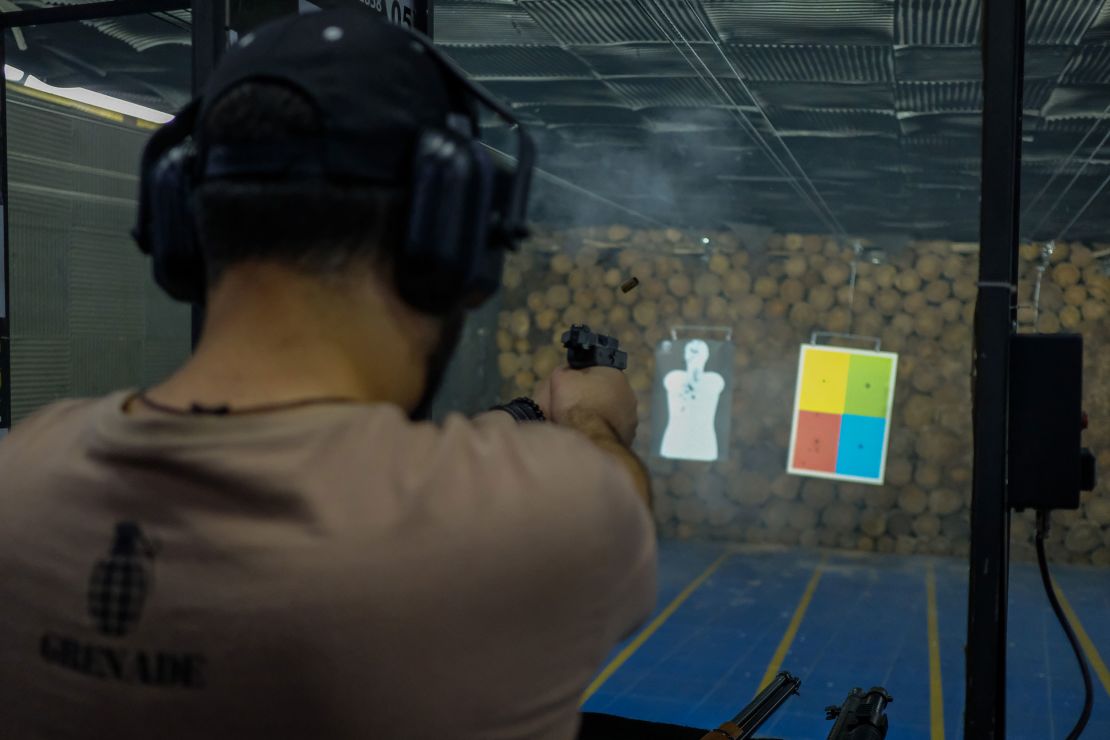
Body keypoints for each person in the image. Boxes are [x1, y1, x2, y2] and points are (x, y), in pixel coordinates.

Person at [0, 10, 656, 740]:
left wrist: (527, 415)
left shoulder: (22, 475)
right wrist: (590, 419)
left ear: (181, 224)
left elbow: (360, 468)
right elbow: (617, 504)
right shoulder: (534, 523)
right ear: (448, 242)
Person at [660, 340, 725, 461]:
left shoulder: (714, 381)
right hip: (675, 439)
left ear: (706, 356)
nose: (695, 350)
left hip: (703, 441)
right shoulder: (674, 378)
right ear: (685, 355)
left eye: (699, 350)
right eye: (692, 350)